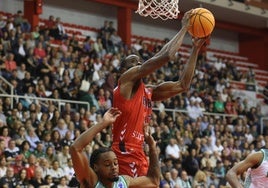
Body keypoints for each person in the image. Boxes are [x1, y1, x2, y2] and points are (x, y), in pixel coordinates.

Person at [112, 9, 207, 177]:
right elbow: (167, 55)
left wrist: (195, 49)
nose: (138, 63)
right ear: (124, 70)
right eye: (133, 63)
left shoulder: (148, 91)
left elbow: (183, 85)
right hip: (123, 153)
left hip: (140, 153)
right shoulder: (124, 83)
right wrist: (184, 28)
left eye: (139, 61)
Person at [70, 108, 160, 188]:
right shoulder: (90, 181)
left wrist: (152, 147)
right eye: (107, 164)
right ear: (96, 167)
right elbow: (75, 148)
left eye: (116, 163)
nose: (114, 167)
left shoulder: (124, 181)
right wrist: (103, 124)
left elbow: (153, 181)